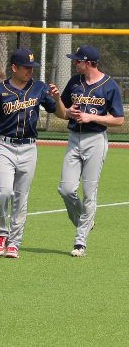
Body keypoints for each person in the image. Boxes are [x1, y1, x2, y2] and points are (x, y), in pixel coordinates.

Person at [0, 48, 64, 258]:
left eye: (32, 67)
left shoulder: (39, 88)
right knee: (4, 193)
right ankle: (0, 235)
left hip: (29, 148)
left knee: (21, 198)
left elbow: (62, 114)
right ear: (13, 68)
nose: (30, 71)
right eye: (26, 67)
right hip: (5, 146)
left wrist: (58, 99)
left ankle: (14, 242)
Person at [55, 45, 124, 257]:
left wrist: (91, 117)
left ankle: (80, 242)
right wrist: (63, 105)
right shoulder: (74, 82)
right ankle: (85, 220)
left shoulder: (109, 85)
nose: (75, 63)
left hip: (96, 140)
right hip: (74, 139)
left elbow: (119, 120)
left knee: (89, 192)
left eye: (78, 60)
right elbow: (62, 113)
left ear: (89, 63)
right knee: (65, 189)